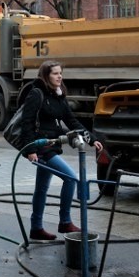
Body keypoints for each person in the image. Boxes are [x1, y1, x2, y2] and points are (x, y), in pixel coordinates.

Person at [21, 60, 103, 241]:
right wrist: (30, 150)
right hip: (41, 147)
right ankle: (65, 221)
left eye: (60, 73)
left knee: (41, 188)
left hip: (51, 145)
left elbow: (72, 121)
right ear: (46, 76)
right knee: (71, 177)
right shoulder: (36, 94)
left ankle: (36, 228)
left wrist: (92, 139)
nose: (60, 76)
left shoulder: (58, 96)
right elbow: (26, 122)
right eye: (55, 73)